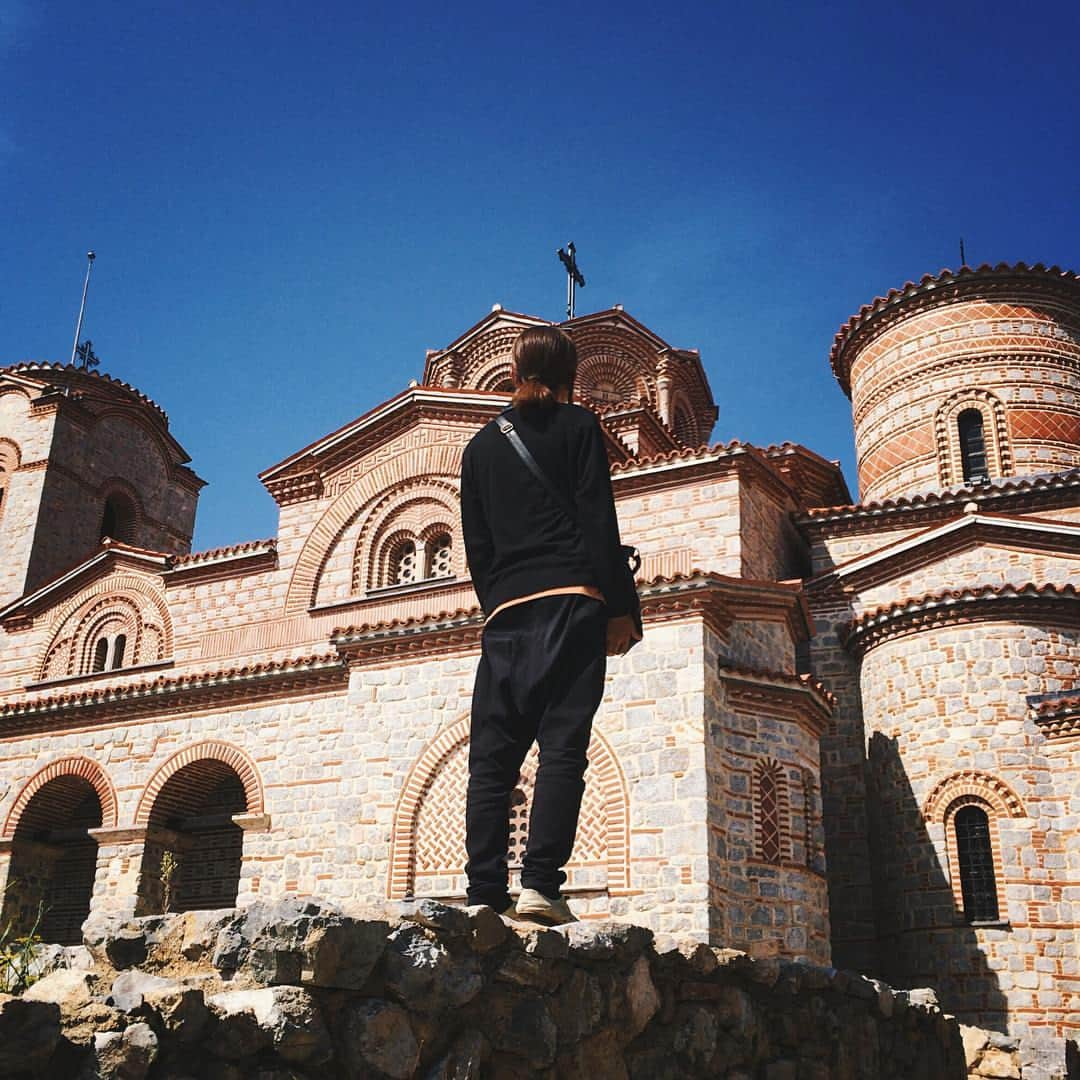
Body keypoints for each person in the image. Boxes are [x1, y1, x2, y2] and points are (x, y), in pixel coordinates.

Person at [459, 325, 639, 925]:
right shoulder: (580, 428)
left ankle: (483, 891)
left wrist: (502, 601)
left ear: (512, 373)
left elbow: (477, 546)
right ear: (569, 377)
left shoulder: (478, 449)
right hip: (573, 602)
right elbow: (597, 519)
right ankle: (540, 886)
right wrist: (621, 609)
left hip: (506, 616)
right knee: (563, 748)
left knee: (492, 757)